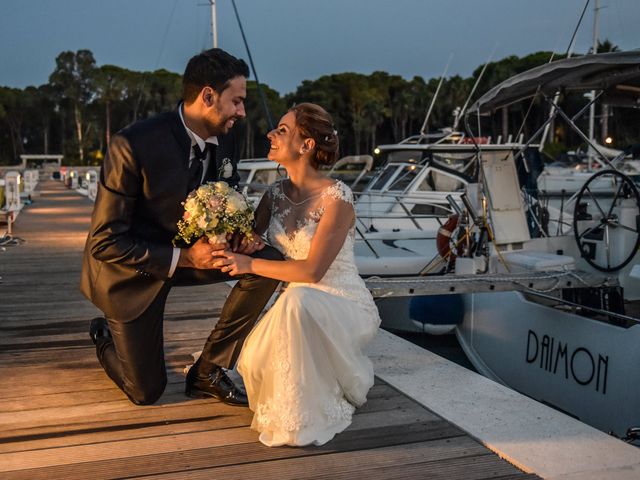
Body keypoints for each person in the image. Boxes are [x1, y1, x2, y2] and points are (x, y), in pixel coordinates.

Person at [80, 48, 281, 407]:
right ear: (207, 96)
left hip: (195, 254)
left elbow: (227, 197)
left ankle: (208, 370)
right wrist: (186, 257)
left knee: (268, 263)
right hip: (131, 270)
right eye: (236, 101)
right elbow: (104, 242)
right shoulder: (132, 145)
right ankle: (103, 334)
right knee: (145, 392)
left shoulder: (227, 137)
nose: (242, 112)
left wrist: (241, 234)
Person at [212, 103, 381, 446]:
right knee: (294, 303)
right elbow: (250, 243)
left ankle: (302, 415)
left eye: (282, 131)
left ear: (306, 146)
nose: (270, 135)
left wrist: (249, 265)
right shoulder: (273, 196)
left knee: (299, 298)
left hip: (340, 301)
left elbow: (313, 271)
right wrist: (219, 232)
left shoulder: (337, 199)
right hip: (295, 304)